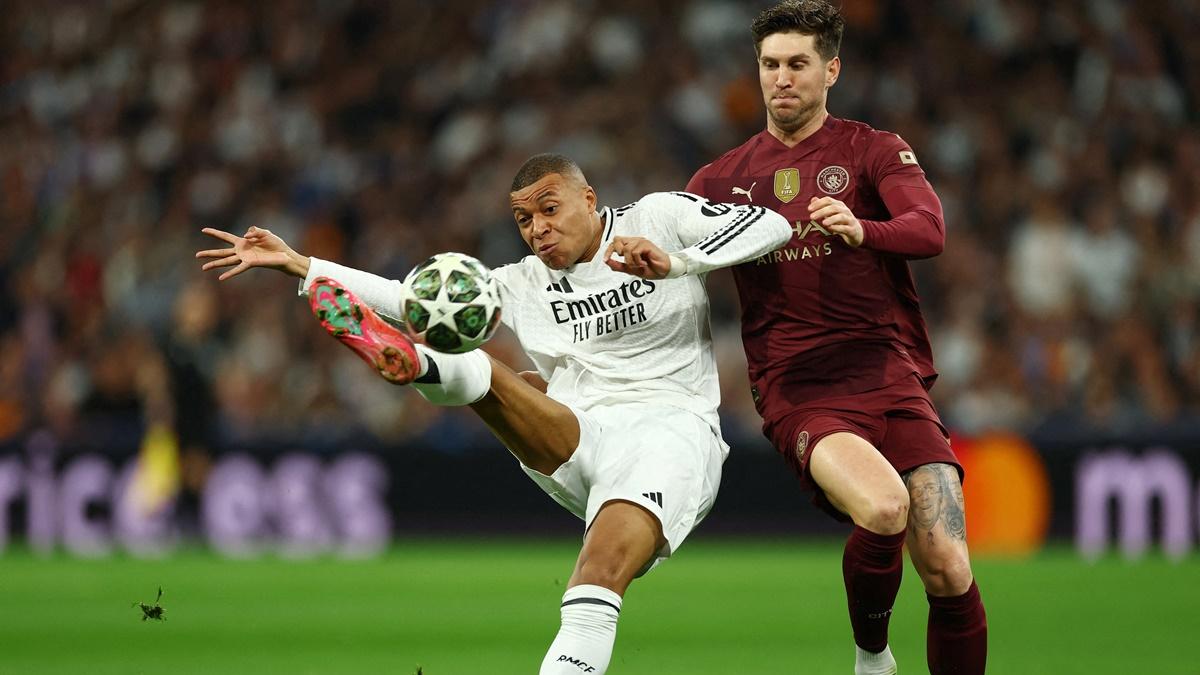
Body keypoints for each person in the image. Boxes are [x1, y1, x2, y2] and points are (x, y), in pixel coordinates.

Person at [196, 153, 792, 674]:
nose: (538, 230)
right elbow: (411, 297)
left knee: (596, 575)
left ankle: (432, 370)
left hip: (668, 435)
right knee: (477, 357)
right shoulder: (521, 282)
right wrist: (304, 266)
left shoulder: (657, 218)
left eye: (549, 210)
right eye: (524, 220)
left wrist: (678, 261)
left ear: (590, 199)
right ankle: (421, 364)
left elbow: (772, 222)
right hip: (577, 434)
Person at [682, 2, 988, 674]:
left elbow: (929, 229)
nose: (781, 78)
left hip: (889, 375)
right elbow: (675, 271)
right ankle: (871, 658)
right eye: (770, 64)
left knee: (947, 561)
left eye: (798, 64)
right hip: (801, 388)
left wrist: (863, 229)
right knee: (883, 506)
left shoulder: (872, 149)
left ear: (832, 70)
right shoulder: (719, 182)